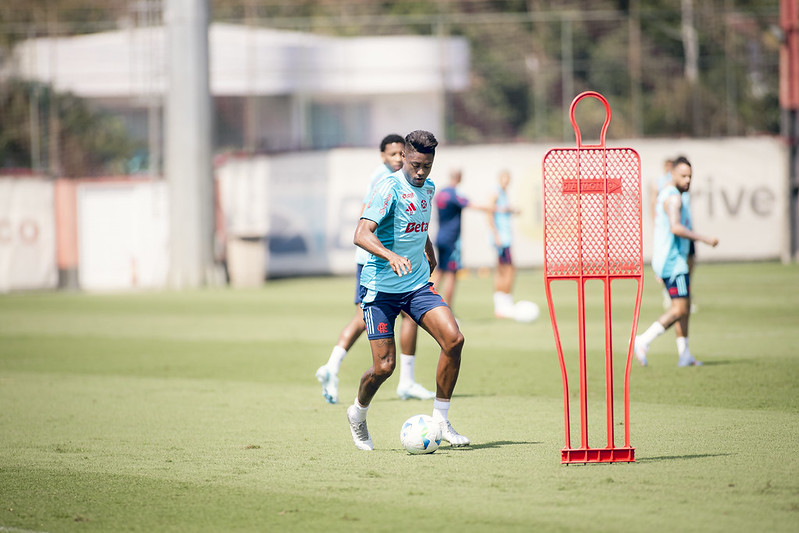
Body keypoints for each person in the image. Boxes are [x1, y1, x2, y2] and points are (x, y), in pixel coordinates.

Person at [347, 130, 470, 451]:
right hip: (380, 290)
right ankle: (357, 413)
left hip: (415, 285)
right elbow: (361, 234)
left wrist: (428, 252)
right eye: (415, 164)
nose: (419, 172)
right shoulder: (387, 188)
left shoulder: (428, 188)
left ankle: (441, 420)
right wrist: (391, 256)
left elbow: (418, 227)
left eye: (426, 166)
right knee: (385, 367)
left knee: (454, 340)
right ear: (403, 156)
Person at [315, 134, 434, 404]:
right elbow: (366, 221)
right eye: (392, 155)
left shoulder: (415, 181)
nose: (396, 159)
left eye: (397, 154)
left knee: (405, 315)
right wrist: (389, 253)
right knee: (367, 318)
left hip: (394, 259)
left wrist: (425, 248)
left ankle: (402, 380)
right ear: (387, 157)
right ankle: (335, 367)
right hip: (375, 260)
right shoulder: (383, 180)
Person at [634, 156, 718, 367]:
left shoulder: (672, 194)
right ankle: (643, 340)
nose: (688, 180)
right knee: (680, 309)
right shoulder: (674, 198)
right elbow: (675, 227)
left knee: (685, 307)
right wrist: (705, 239)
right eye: (683, 175)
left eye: (690, 176)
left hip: (669, 259)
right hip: (674, 262)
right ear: (671, 174)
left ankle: (685, 354)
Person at [433, 169, 496, 309]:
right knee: (451, 275)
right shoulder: (454, 194)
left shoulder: (440, 193)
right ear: (460, 178)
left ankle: (426, 306)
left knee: (440, 273)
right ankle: (448, 311)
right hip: (451, 240)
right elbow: (472, 205)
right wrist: (496, 208)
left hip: (440, 237)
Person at [486, 170, 518, 318]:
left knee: (507, 269)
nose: (506, 181)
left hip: (506, 237)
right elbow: (489, 213)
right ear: (500, 179)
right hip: (501, 239)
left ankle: (503, 304)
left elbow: (501, 211)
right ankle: (502, 305)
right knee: (506, 270)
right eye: (504, 178)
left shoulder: (504, 194)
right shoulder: (496, 192)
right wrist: (496, 235)